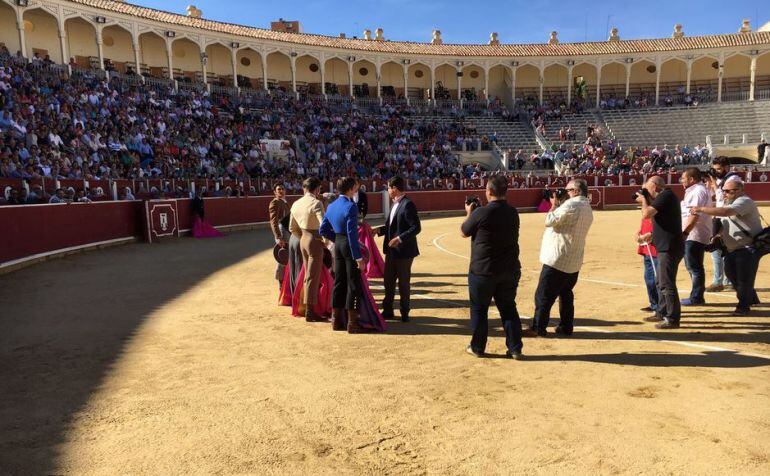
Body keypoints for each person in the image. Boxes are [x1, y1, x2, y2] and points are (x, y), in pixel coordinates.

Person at [460, 175, 523, 359]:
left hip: (484, 270)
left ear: (488, 191)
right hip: (509, 268)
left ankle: (477, 347)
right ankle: (515, 348)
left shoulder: (481, 213)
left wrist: (469, 212)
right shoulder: (513, 212)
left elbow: (464, 232)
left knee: (479, 309)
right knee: (508, 308)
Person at [525, 178, 594, 338]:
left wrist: (555, 204)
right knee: (566, 294)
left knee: (543, 295)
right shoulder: (587, 207)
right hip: (574, 260)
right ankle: (566, 326)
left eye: (568, 190)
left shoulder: (572, 204)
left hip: (558, 259)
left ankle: (538, 327)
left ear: (576, 191)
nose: (565, 192)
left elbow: (549, 220)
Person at [691, 180, 762, 315]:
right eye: (724, 191)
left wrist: (701, 209)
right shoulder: (730, 202)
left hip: (747, 247)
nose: (725, 193)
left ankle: (743, 306)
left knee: (743, 278)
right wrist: (718, 236)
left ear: (739, 191)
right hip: (732, 248)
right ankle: (751, 298)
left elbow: (726, 212)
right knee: (731, 274)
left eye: (729, 191)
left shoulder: (744, 201)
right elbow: (725, 221)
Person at [320, 177, 367, 333]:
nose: (357, 190)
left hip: (338, 245)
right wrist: (358, 258)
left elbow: (323, 230)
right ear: (350, 188)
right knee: (353, 283)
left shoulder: (332, 206)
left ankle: (336, 321)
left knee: (339, 281)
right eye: (356, 188)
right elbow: (352, 235)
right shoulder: (351, 207)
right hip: (348, 246)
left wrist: (337, 240)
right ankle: (352, 323)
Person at [637, 176, 684, 329]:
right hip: (666, 244)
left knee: (666, 283)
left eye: (648, 188)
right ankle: (661, 311)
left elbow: (646, 214)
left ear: (655, 187)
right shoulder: (666, 196)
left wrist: (644, 198)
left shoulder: (666, 195)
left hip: (669, 247)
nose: (647, 192)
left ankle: (672, 318)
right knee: (661, 281)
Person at [381, 176, 421, 323]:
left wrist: (399, 239)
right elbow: (391, 226)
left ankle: (405, 312)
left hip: (404, 252)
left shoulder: (408, 204)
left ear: (394, 188)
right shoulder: (395, 204)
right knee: (388, 281)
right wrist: (377, 231)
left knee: (403, 282)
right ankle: (387, 310)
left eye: (388, 188)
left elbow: (416, 227)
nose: (388, 190)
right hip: (392, 251)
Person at [289, 177, 327, 322]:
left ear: (304, 188)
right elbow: (323, 226)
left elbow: (292, 228)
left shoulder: (296, 203)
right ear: (317, 189)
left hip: (302, 240)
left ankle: (306, 307)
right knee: (313, 276)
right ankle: (310, 311)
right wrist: (326, 242)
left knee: (308, 275)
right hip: (314, 241)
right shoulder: (316, 203)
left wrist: (303, 236)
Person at [705, 157, 740, 292]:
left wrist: (714, 182)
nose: (716, 171)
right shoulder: (724, 179)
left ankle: (719, 280)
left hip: (727, 217)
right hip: (720, 216)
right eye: (715, 169)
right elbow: (714, 195)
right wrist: (711, 182)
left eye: (718, 169)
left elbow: (723, 197)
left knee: (720, 249)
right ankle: (726, 280)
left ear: (726, 167)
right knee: (720, 249)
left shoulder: (733, 180)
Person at [679, 167, 712, 306]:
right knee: (693, 266)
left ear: (691, 179)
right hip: (694, 233)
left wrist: (685, 233)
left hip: (694, 234)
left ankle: (697, 297)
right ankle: (697, 296)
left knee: (694, 266)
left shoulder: (698, 191)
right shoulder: (696, 190)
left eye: (683, 178)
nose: (681, 181)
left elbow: (694, 215)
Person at [269, 183, 291, 290]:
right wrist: (278, 236)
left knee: (287, 257)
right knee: (282, 257)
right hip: (282, 232)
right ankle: (281, 283)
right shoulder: (275, 202)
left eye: (283, 189)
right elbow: (273, 221)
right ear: (275, 192)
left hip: (288, 231)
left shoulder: (284, 202)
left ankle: (286, 282)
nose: (281, 190)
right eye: (279, 189)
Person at [636, 217, 658, 313]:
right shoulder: (646, 214)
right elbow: (642, 227)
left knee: (659, 280)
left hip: (657, 250)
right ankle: (654, 304)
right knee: (649, 278)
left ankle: (662, 307)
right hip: (647, 249)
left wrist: (651, 234)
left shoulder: (657, 212)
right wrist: (638, 234)